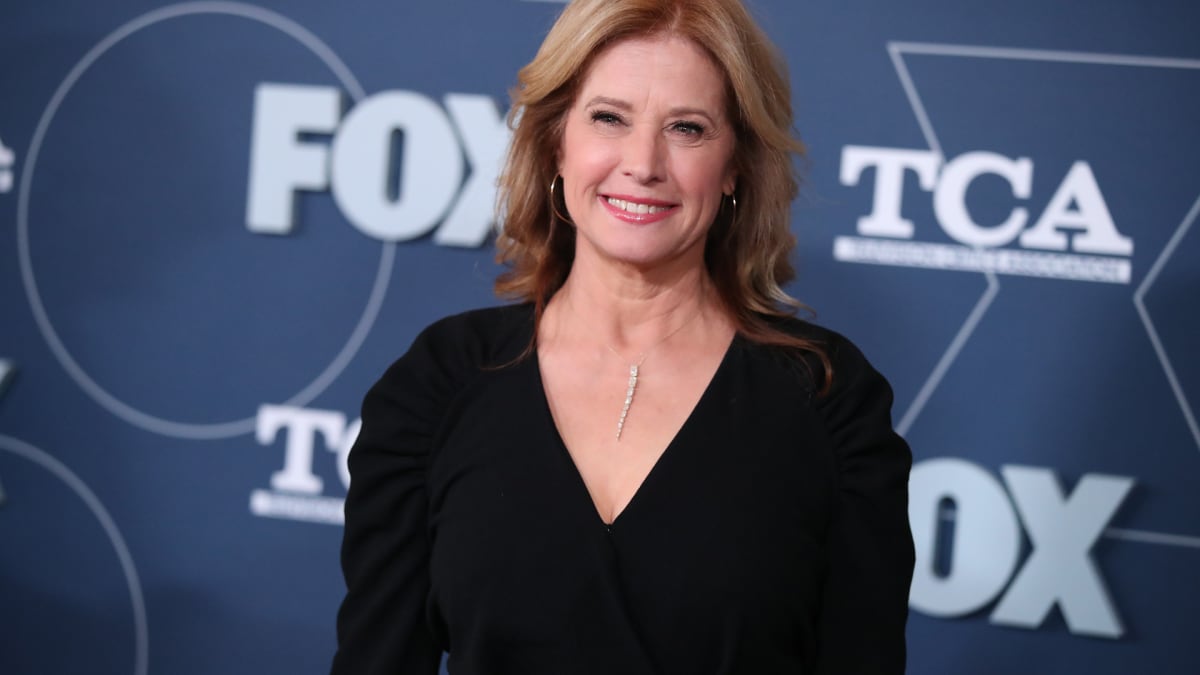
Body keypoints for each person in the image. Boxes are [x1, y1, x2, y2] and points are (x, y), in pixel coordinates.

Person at [331, 0, 914, 673]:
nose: (643, 163)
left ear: (735, 166)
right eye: (609, 118)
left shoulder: (830, 399)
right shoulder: (440, 381)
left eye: (687, 128)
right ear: (556, 141)